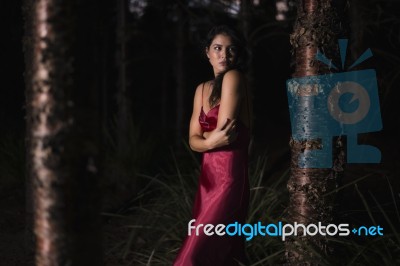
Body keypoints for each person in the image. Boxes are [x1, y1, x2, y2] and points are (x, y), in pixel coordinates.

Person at [174, 25, 251, 266]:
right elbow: (192, 141)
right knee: (221, 252)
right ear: (207, 52)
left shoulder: (234, 77)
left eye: (231, 49)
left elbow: (224, 134)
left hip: (229, 179)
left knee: (194, 254)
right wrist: (209, 141)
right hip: (207, 181)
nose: (224, 55)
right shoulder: (201, 89)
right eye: (217, 48)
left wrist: (205, 141)